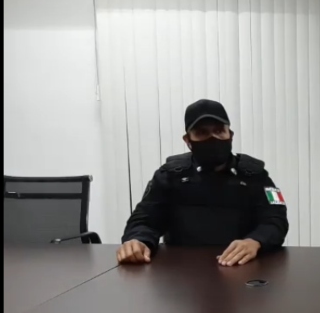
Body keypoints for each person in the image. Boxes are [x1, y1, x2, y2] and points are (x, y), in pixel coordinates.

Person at [116, 99, 289, 266]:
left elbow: (276, 219)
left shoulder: (257, 174)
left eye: (219, 131)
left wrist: (256, 241)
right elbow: (144, 219)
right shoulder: (169, 175)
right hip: (180, 271)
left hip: (242, 268)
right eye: (202, 133)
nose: (213, 138)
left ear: (230, 135)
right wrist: (138, 240)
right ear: (188, 140)